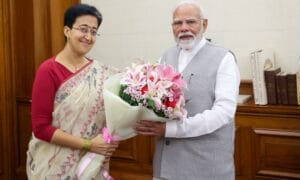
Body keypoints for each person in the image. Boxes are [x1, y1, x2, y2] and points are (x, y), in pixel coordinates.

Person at [134, 1, 240, 179]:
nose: (184, 28)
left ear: (204, 24)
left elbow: (224, 112)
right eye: (177, 23)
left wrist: (172, 129)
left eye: (190, 22)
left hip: (206, 166)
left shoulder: (224, 58)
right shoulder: (165, 56)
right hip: (166, 164)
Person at [26, 4, 119, 179]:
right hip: (55, 165)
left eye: (93, 31)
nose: (88, 36)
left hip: (90, 163)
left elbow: (112, 117)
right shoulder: (48, 70)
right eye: (83, 29)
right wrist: (88, 144)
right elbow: (41, 128)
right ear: (67, 31)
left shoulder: (100, 72)